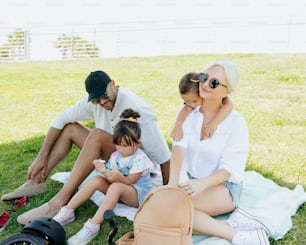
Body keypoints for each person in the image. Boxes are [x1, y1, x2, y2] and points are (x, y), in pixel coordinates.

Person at [1, 70, 170, 225]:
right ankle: (36, 181)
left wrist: (167, 194)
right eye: (97, 99)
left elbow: (164, 157)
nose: (102, 102)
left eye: (104, 96)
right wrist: (41, 158)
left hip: (133, 164)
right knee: (70, 129)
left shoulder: (137, 108)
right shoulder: (95, 101)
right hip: (114, 156)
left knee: (96, 135)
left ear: (113, 84)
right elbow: (60, 120)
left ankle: (59, 203)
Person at [168, 61, 271, 245]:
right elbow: (178, 148)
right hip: (191, 179)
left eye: (214, 83)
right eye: (203, 77)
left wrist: (202, 184)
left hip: (223, 186)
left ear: (227, 91)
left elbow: (230, 169)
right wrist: (171, 184)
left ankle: (238, 235)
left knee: (176, 210)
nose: (205, 84)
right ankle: (229, 224)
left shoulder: (236, 123)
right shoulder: (187, 110)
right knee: (166, 206)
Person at [53, 109, 154, 245]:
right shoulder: (115, 156)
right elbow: (111, 178)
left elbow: (129, 181)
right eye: (117, 144)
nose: (120, 149)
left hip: (138, 194)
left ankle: (92, 227)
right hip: (120, 188)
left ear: (137, 144)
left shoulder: (140, 159)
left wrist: (115, 176)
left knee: (116, 187)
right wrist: (103, 170)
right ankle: (68, 211)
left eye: (125, 145)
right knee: (96, 180)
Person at [170, 72, 233, 141]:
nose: (191, 105)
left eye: (194, 101)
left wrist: (213, 123)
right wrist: (178, 125)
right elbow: (186, 108)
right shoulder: (191, 102)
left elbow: (229, 105)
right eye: (186, 101)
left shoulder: (216, 95)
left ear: (202, 92)